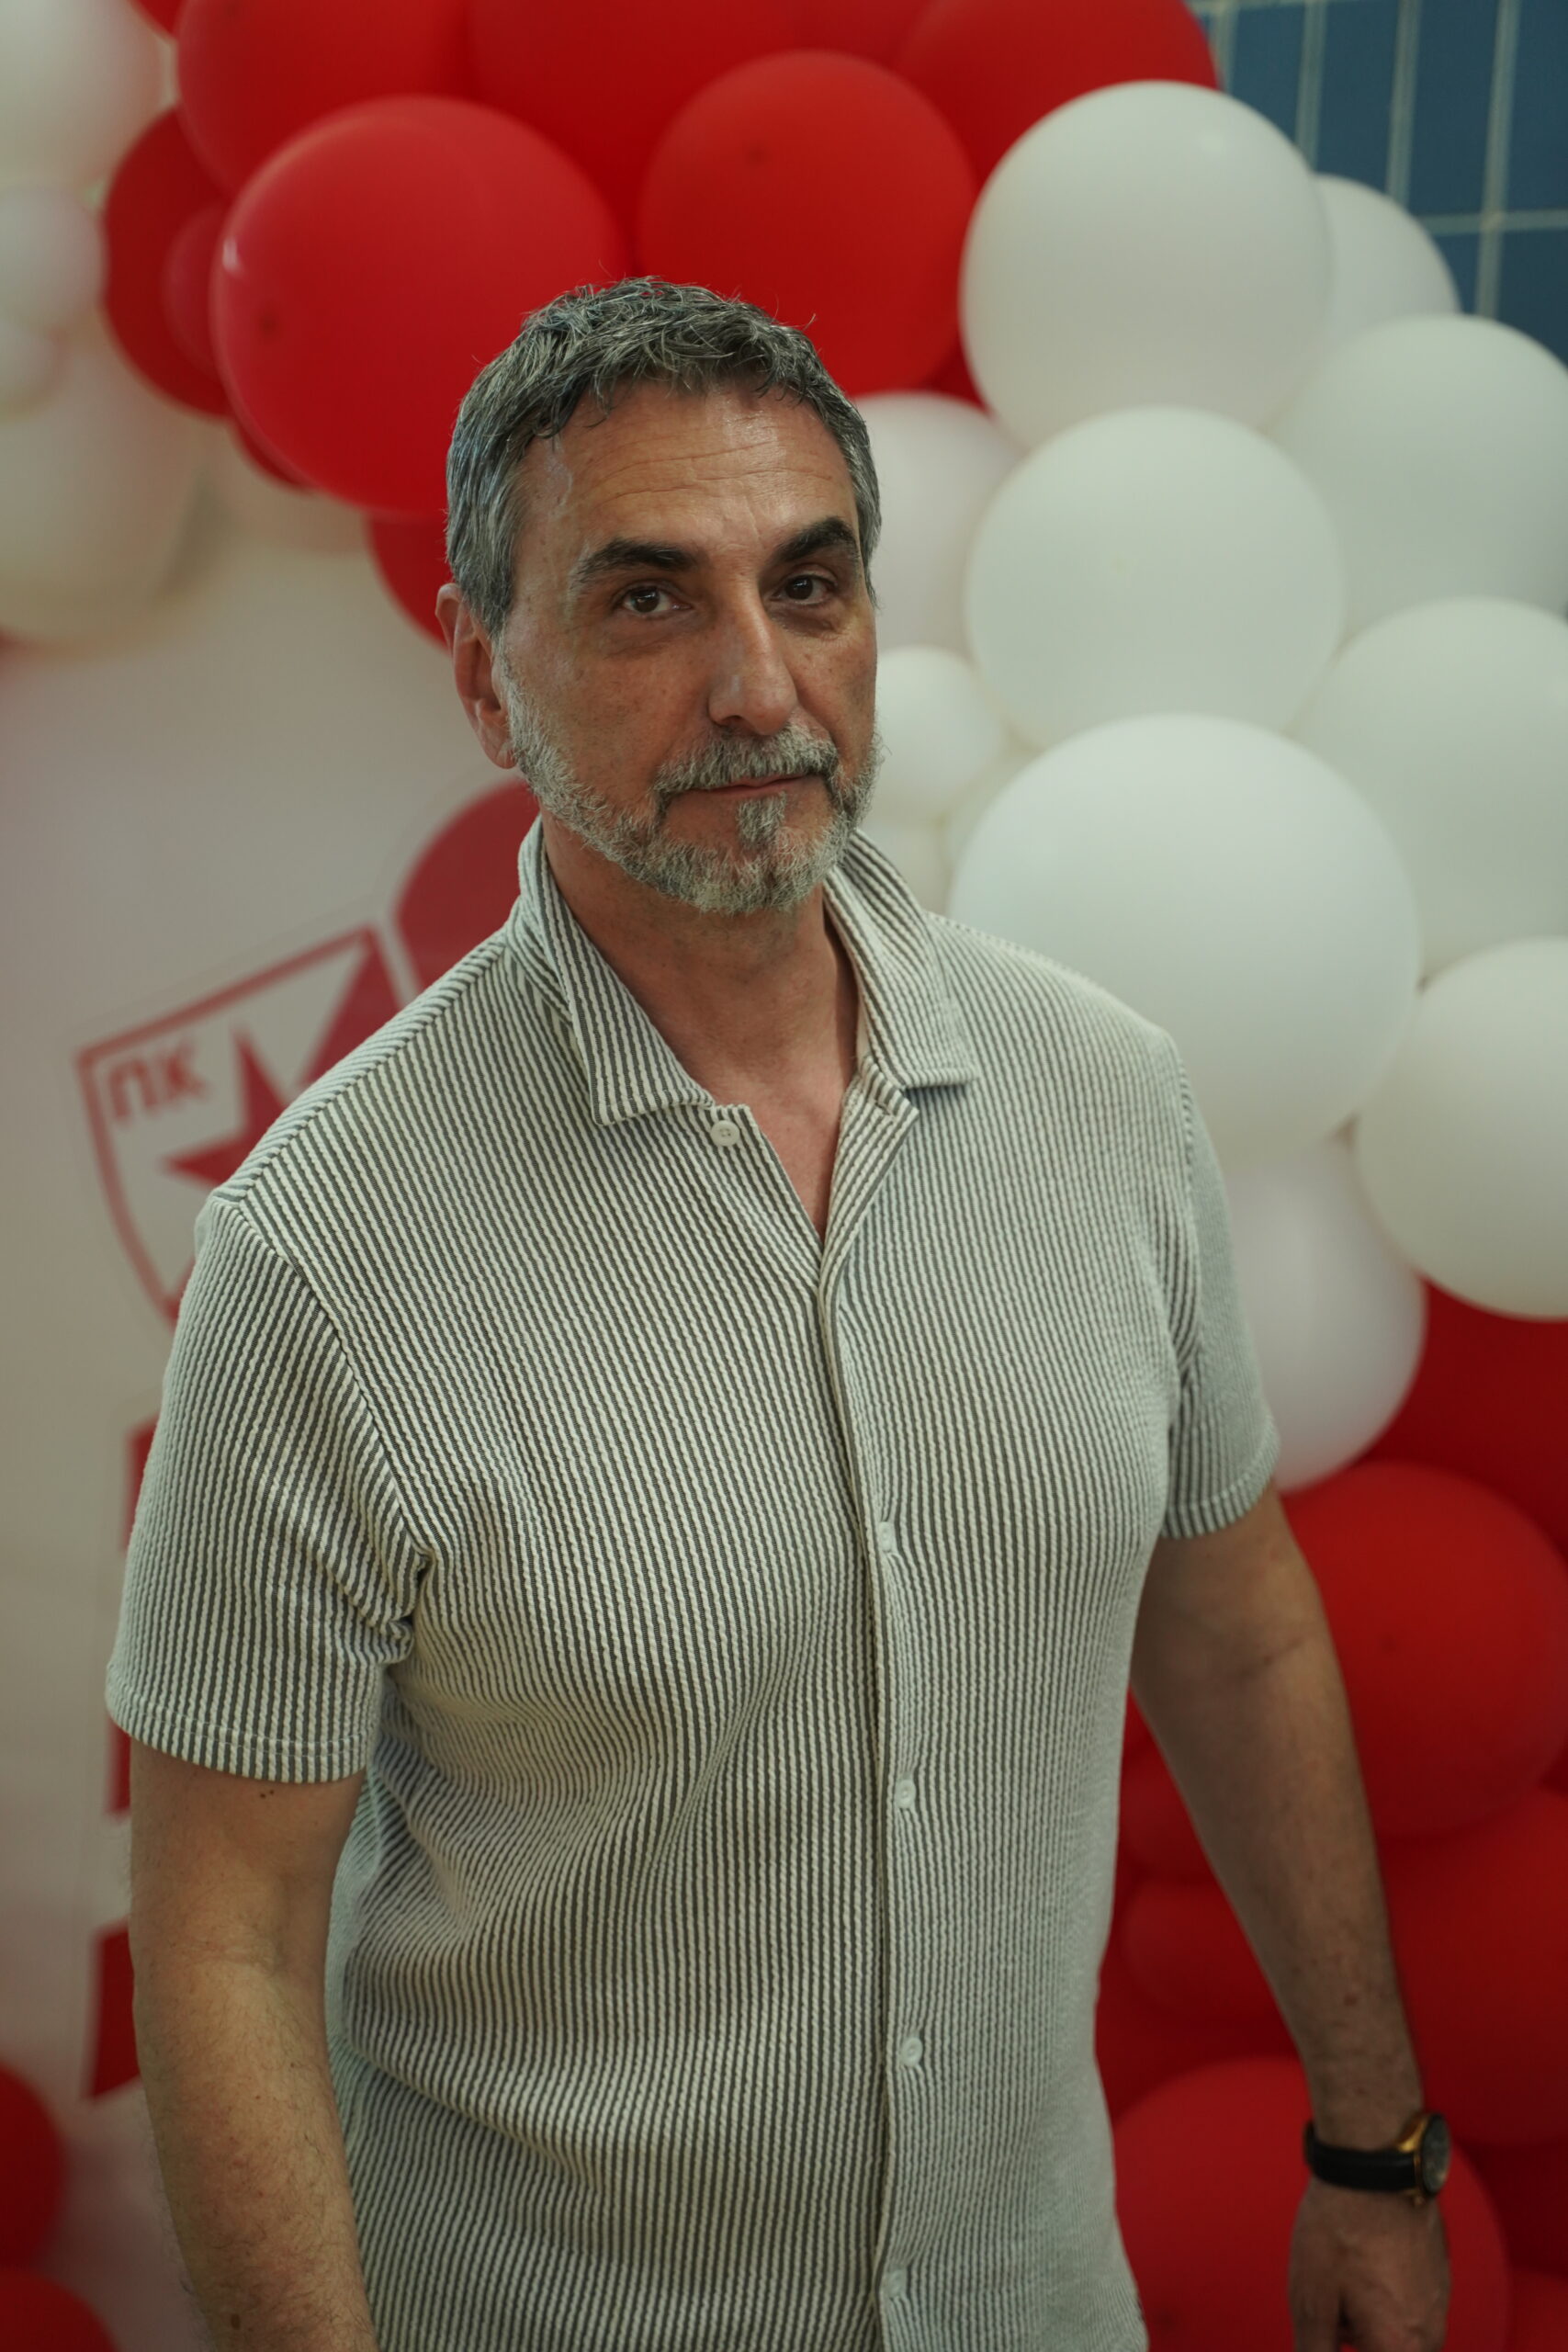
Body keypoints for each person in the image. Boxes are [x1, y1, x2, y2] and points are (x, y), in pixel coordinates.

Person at [108, 276, 1449, 2352]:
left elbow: (1234, 1621)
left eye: (808, 585)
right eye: (649, 601)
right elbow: (226, 1933)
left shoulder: (1103, 1099)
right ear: (485, 679)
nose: (759, 686)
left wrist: (1371, 2139)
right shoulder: (322, 1254)